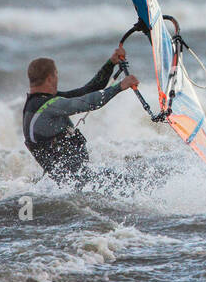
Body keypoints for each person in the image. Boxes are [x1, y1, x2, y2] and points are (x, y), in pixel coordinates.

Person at [22, 48, 139, 186]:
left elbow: (87, 91)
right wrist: (119, 86)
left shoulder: (37, 104)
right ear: (50, 78)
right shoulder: (49, 106)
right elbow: (86, 102)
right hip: (73, 183)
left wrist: (110, 64)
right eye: (56, 74)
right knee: (132, 180)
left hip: (62, 182)